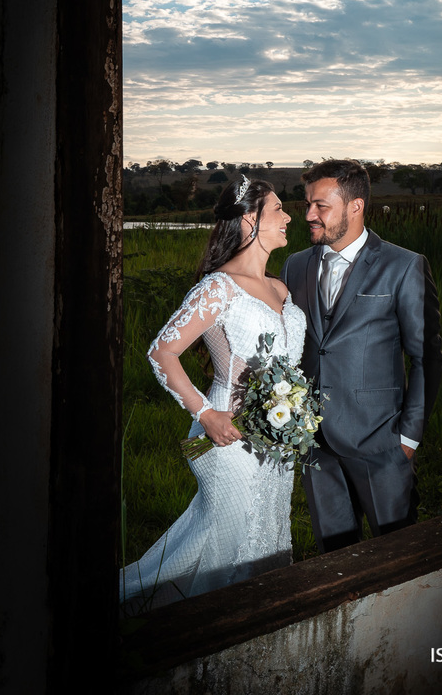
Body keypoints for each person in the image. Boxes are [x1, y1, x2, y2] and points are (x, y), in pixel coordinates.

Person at [119, 176, 303, 612]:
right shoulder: (218, 287)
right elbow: (162, 352)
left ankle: (253, 628)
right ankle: (192, 629)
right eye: (279, 209)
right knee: (225, 536)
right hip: (228, 436)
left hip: (277, 442)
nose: (289, 216)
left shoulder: (281, 289)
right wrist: (206, 415)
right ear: (249, 219)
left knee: (266, 531)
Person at [280, 159, 442, 553]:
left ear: (355, 206)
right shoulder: (296, 265)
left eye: (321, 205)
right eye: (307, 204)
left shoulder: (404, 266)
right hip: (315, 443)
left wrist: (408, 436)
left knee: (398, 552)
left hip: (380, 440)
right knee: (334, 554)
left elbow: (427, 357)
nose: (309, 215)